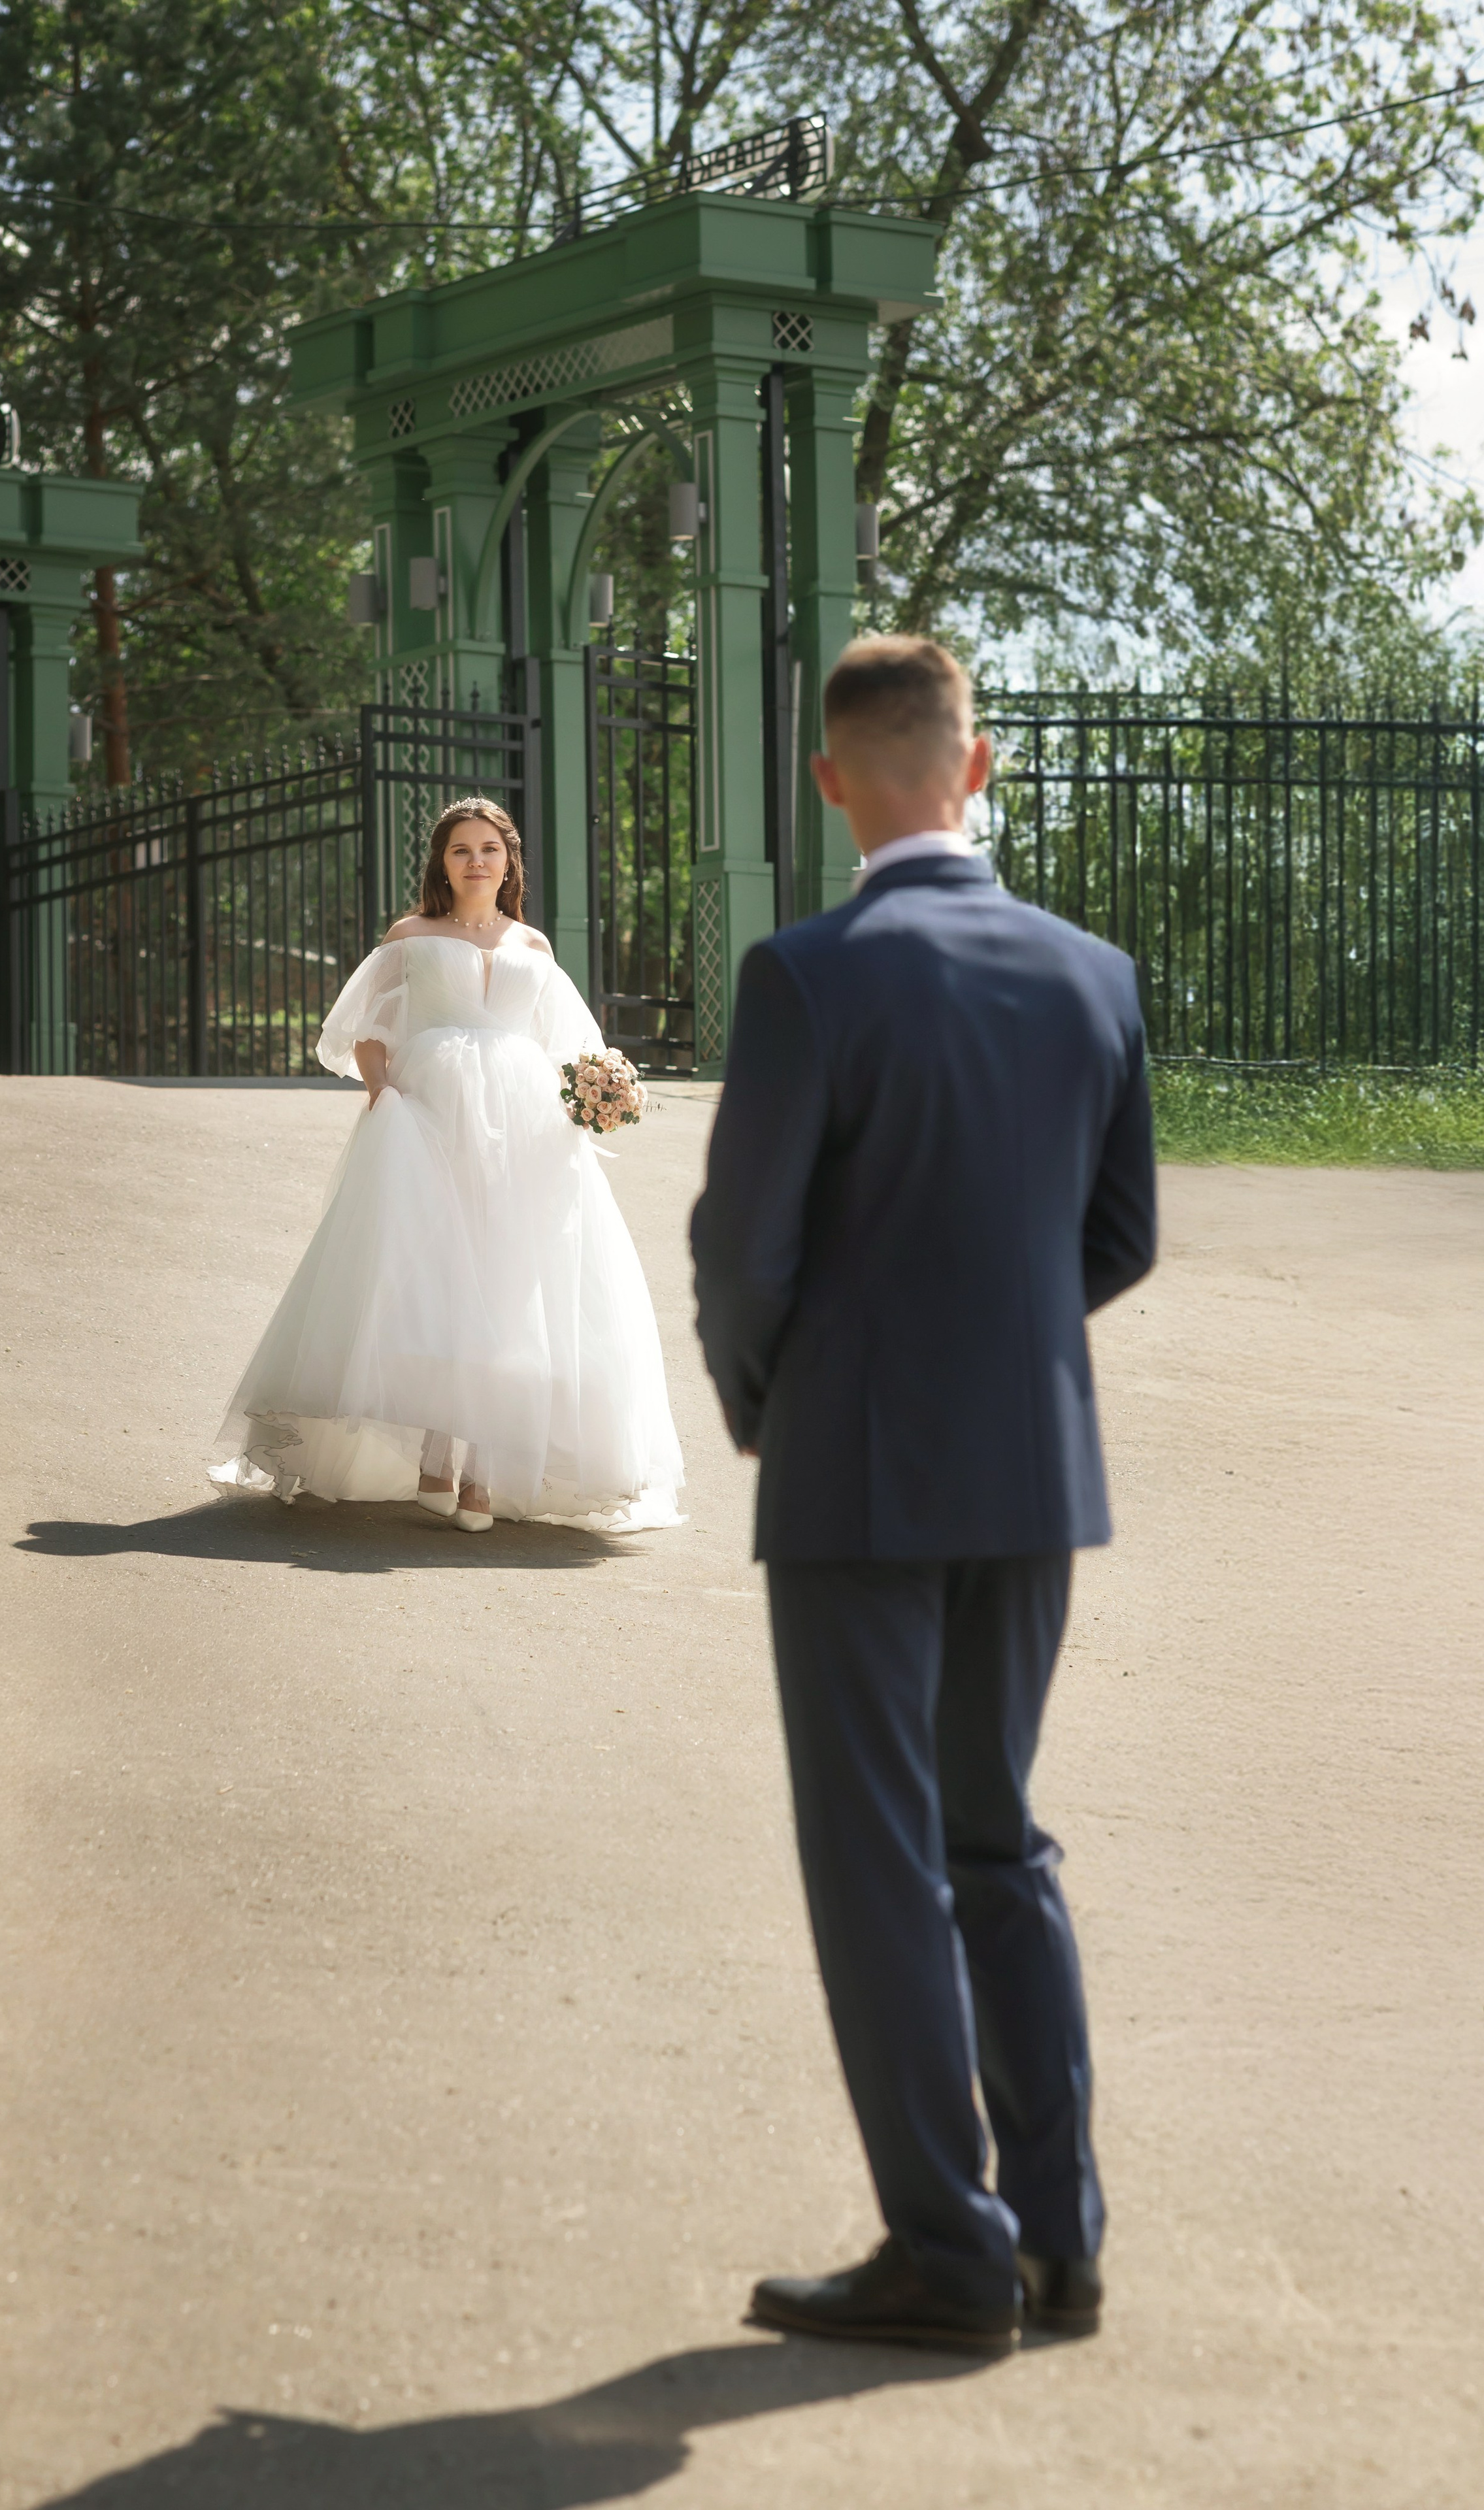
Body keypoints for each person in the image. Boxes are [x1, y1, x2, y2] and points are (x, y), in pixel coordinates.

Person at [690, 636, 1156, 2351]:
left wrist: (771, 1398)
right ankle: (1060, 2235)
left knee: (878, 1856)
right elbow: (1121, 1238)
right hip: (1033, 1472)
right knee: (995, 1835)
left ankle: (948, 2255)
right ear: (977, 767)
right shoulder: (1095, 975)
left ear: (834, 784)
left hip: (854, 1480)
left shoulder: (807, 976)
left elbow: (746, 1250)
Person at [212, 796, 684, 1533]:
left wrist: (601, 1092)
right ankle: (435, 1456)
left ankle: (485, 1475)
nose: (475, 861)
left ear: (508, 860)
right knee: (435, 1284)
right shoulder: (410, 935)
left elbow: (569, 1046)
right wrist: (382, 1091)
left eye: (489, 849)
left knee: (509, 1289)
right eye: (461, 849)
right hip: (430, 1123)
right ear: (442, 861)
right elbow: (371, 1028)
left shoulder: (534, 948)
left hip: (527, 1135)